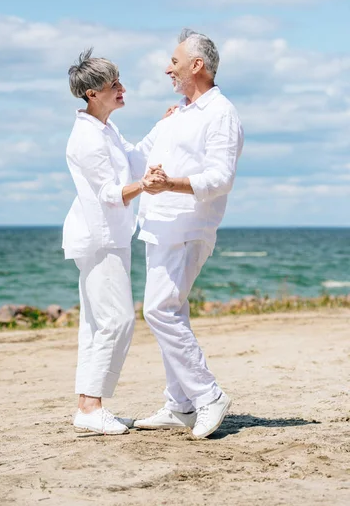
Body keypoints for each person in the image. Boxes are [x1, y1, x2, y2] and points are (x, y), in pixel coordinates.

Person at [134, 29, 244, 439]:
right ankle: (179, 404)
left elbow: (220, 177)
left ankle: (208, 395)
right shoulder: (178, 113)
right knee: (171, 311)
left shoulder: (221, 113)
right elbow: (143, 159)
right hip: (157, 223)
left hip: (187, 224)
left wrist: (171, 185)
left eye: (175, 62)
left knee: (159, 310)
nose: (168, 68)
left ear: (197, 65)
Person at [62, 49, 167, 436]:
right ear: (92, 93)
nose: (122, 88)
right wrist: (144, 187)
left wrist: (163, 126)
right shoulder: (86, 139)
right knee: (117, 320)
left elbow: (135, 159)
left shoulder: (106, 129)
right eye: (114, 85)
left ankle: (87, 407)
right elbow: (109, 193)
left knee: (96, 323)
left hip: (112, 235)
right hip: (98, 236)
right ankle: (91, 407)